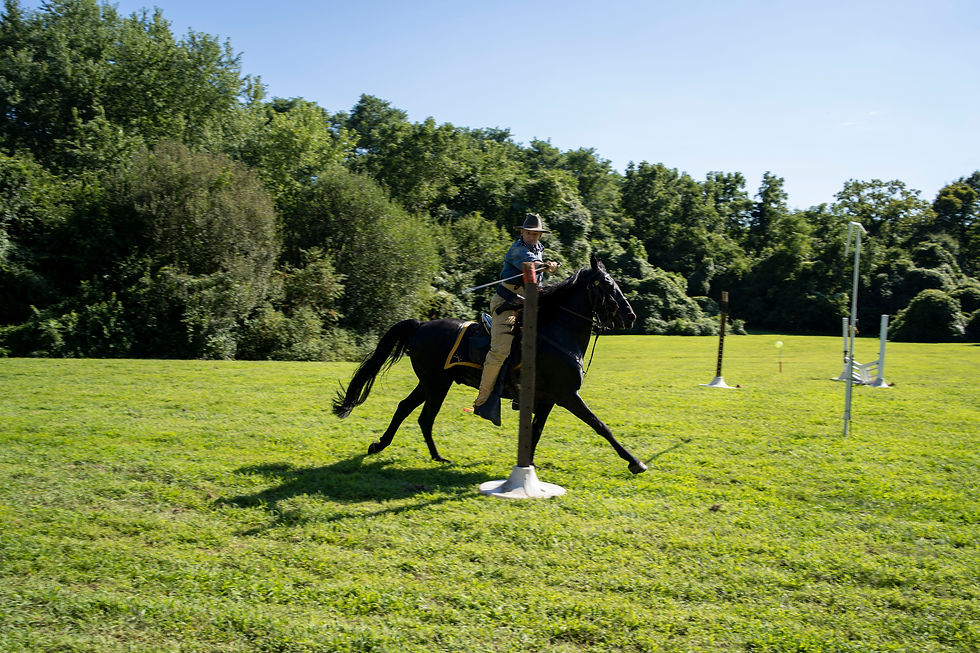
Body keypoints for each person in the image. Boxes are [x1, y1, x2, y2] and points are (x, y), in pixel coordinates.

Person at [473, 213, 559, 413]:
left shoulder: (538, 247)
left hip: (530, 302)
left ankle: (524, 392)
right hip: (507, 303)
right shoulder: (518, 249)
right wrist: (546, 265)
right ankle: (482, 400)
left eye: (536, 234)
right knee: (500, 350)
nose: (532, 237)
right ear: (522, 232)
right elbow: (531, 265)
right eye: (529, 233)